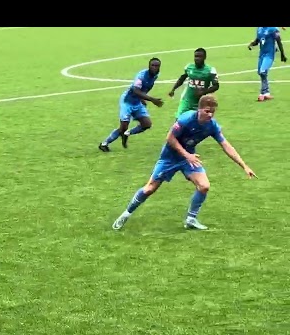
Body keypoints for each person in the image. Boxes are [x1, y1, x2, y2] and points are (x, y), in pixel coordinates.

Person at [111, 95, 256, 231]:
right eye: (207, 111)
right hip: (169, 157)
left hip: (188, 158)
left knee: (204, 186)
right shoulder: (186, 119)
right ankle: (126, 214)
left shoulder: (211, 125)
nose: (210, 115)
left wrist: (244, 166)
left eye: (213, 112)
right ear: (199, 109)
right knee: (149, 189)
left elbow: (226, 145)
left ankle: (191, 219)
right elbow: (170, 138)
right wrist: (187, 155)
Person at [98, 58, 163, 152]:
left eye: (157, 66)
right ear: (149, 66)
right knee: (123, 127)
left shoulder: (155, 75)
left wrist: (141, 99)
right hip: (127, 101)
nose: (154, 67)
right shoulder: (141, 76)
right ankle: (104, 144)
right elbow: (136, 90)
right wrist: (152, 99)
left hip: (137, 101)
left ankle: (127, 133)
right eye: (152, 65)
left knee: (147, 124)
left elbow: (144, 88)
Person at [168, 48, 219, 119]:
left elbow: (216, 86)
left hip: (201, 102)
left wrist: (203, 92)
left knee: (199, 122)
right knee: (179, 119)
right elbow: (182, 78)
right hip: (187, 100)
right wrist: (173, 89)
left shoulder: (210, 70)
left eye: (199, 57)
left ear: (204, 57)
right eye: (195, 56)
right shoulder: (189, 67)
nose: (197, 58)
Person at [248, 27, 287, 101]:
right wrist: (252, 44)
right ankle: (266, 93)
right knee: (260, 72)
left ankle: (262, 94)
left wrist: (282, 54)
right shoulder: (259, 29)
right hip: (262, 55)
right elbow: (258, 40)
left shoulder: (272, 29)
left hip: (269, 55)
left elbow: (278, 41)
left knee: (263, 71)